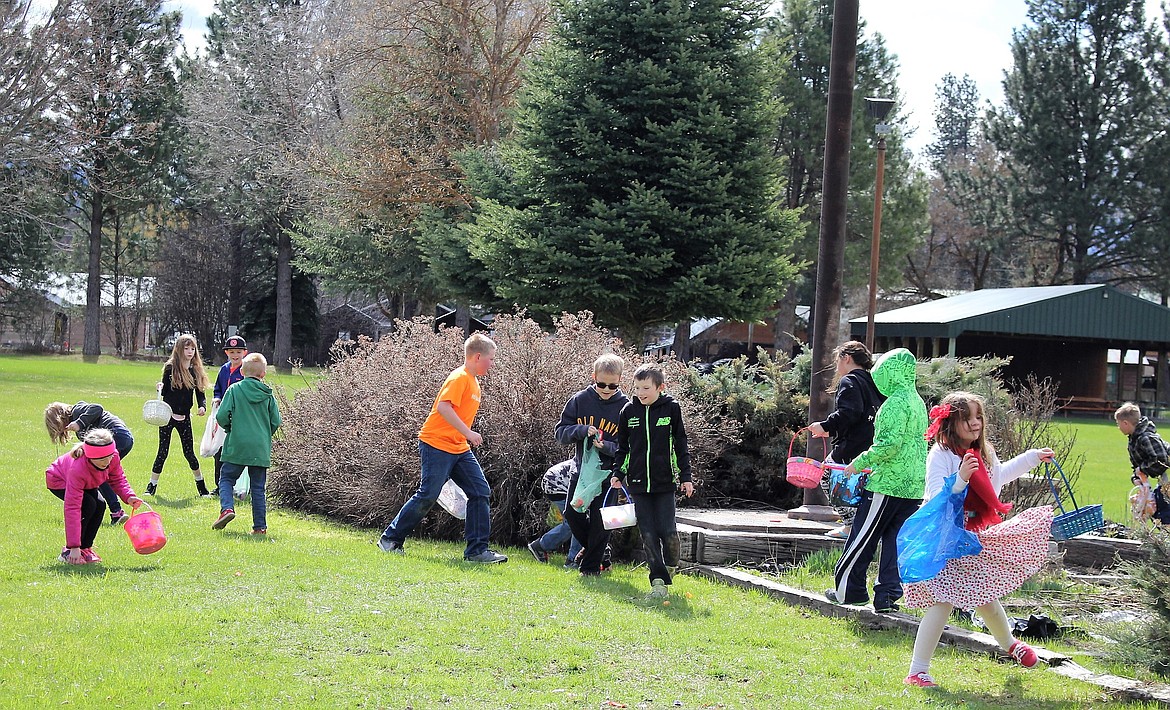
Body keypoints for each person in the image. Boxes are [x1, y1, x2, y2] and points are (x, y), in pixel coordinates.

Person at [903, 391, 1055, 688]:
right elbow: (936, 497)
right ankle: (917, 671)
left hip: (972, 536)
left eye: (978, 416)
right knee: (942, 600)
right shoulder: (942, 455)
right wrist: (959, 479)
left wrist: (1032, 457)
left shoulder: (983, 452)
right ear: (950, 422)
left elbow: (998, 476)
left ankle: (1011, 645)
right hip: (944, 538)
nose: (975, 423)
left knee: (984, 595)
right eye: (967, 418)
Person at [378, 333, 508, 563]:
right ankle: (390, 539)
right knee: (428, 494)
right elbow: (443, 407)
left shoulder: (473, 380)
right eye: (491, 359)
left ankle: (477, 551)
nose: (492, 363)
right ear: (478, 356)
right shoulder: (460, 377)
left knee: (480, 492)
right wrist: (468, 433)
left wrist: (464, 437)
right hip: (436, 444)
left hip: (458, 448)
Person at [827, 347, 926, 613]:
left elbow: (887, 447)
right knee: (894, 542)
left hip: (885, 485)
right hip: (913, 486)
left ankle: (849, 590)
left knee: (863, 536)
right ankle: (888, 596)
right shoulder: (917, 402)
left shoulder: (893, 404)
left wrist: (857, 464)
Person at [544, 353, 629, 576]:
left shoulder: (626, 407)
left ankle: (590, 569)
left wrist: (607, 447)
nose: (607, 389)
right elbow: (560, 433)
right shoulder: (580, 400)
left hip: (611, 475)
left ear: (620, 380)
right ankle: (599, 553)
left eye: (613, 385)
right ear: (594, 377)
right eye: (602, 384)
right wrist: (581, 431)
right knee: (573, 513)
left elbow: (629, 445)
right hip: (581, 471)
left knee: (602, 521)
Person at [612, 363, 692, 597]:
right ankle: (657, 580)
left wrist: (685, 477)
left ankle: (671, 565)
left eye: (645, 387)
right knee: (647, 533)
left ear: (660, 387)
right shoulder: (628, 412)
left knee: (668, 532)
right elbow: (623, 449)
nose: (640, 392)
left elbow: (680, 445)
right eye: (636, 388)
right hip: (638, 485)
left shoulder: (671, 409)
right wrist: (618, 473)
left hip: (664, 484)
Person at [809, 341, 884, 539]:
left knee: (827, 475)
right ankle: (861, 524)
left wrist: (825, 426)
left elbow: (849, 412)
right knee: (863, 485)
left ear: (846, 358)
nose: (837, 365)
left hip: (852, 445)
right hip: (872, 444)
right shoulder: (874, 381)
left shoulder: (849, 381)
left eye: (837, 360)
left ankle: (850, 526)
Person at [46, 428, 144, 564]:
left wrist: (129, 496)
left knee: (100, 505)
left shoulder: (112, 456)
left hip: (88, 481)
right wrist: (73, 546)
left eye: (109, 457)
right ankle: (69, 552)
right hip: (59, 480)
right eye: (102, 459)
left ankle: (86, 548)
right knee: (88, 506)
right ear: (90, 457)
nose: (107, 462)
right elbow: (72, 508)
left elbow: (117, 478)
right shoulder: (78, 468)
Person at [211, 353, 282, 534]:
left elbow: (221, 416)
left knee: (226, 478)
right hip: (260, 447)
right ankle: (260, 527)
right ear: (263, 374)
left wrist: (230, 429)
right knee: (258, 488)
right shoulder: (268, 395)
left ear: (241, 371)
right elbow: (276, 421)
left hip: (237, 443)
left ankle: (227, 508)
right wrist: (264, 435)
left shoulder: (234, 390)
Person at [44, 400, 135, 525]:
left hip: (117, 435)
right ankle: (114, 510)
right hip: (124, 439)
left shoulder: (78, 410)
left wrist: (79, 423)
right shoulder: (79, 431)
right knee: (104, 474)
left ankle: (116, 512)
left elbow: (97, 408)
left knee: (100, 474)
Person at [147, 334, 210, 497]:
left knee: (189, 453)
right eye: (186, 348)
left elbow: (200, 394)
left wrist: (202, 407)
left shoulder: (195, 370)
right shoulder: (170, 368)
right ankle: (151, 486)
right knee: (163, 451)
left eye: (192, 348)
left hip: (184, 417)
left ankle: (202, 488)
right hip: (167, 416)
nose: (190, 352)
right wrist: (159, 387)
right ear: (179, 350)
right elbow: (165, 392)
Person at [1115, 402, 1170, 525]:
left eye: (1118, 424)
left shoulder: (1146, 437)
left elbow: (1161, 460)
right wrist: (1136, 477)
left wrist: (1142, 470)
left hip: (1167, 474)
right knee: (1154, 508)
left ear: (1126, 423)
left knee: (1164, 508)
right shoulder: (1133, 440)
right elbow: (1136, 465)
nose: (1118, 427)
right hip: (1162, 477)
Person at [527, 458, 585, 569]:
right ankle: (573, 560)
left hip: (554, 482)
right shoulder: (593, 464)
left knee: (574, 522)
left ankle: (540, 546)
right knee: (577, 522)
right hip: (557, 485)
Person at [211, 335, 249, 494]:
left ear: (244, 353)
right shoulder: (224, 369)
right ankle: (220, 486)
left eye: (238, 352)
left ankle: (241, 488)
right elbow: (218, 388)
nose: (235, 355)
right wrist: (217, 398)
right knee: (219, 451)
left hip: (240, 418)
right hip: (223, 417)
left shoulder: (247, 371)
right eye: (231, 351)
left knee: (238, 452)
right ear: (227, 353)